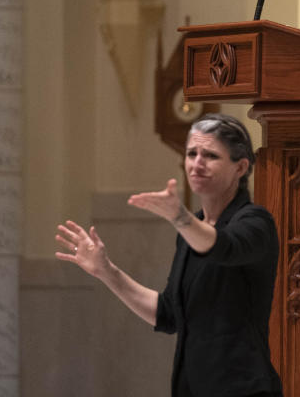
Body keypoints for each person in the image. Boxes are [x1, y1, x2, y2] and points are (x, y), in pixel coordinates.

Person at [55, 113, 283, 397]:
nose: (197, 163)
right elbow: (168, 314)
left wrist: (180, 217)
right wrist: (106, 271)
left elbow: (224, 246)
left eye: (211, 155)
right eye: (192, 153)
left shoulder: (256, 221)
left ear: (240, 167)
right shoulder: (190, 230)